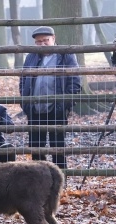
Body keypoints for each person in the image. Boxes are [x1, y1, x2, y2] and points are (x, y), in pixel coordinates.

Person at [19, 26, 81, 170]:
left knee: (58, 146)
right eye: (38, 42)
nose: (42, 44)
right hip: (35, 109)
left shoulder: (66, 55)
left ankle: (60, 179)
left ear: (54, 38)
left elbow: (75, 81)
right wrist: (26, 102)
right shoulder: (31, 56)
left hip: (56, 109)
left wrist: (65, 103)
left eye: (45, 40)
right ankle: (39, 181)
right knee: (36, 147)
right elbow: (23, 80)